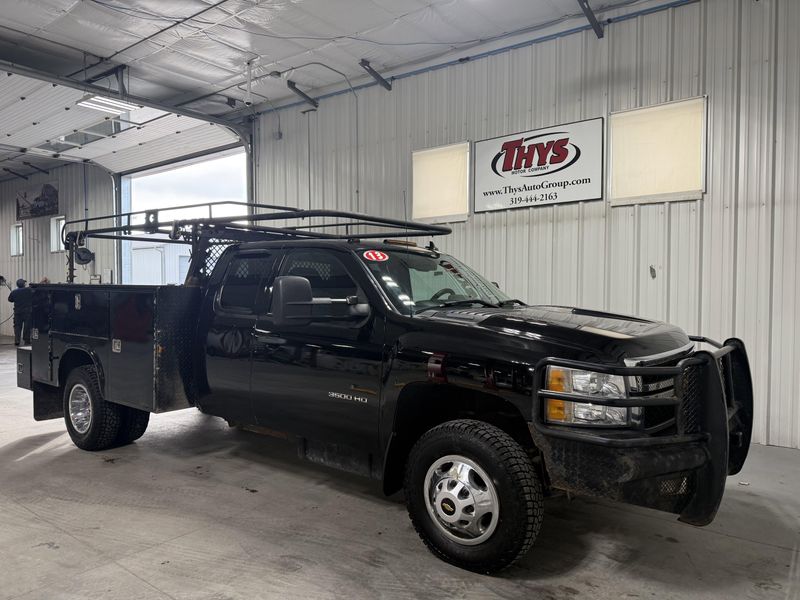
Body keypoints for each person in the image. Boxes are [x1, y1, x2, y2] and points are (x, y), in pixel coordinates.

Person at [8, 278, 34, 346]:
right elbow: (34, 293)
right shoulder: (28, 290)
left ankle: (17, 340)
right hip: (27, 312)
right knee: (27, 326)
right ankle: (27, 340)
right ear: (24, 284)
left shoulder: (14, 292)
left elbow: (10, 300)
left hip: (17, 312)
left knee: (17, 327)